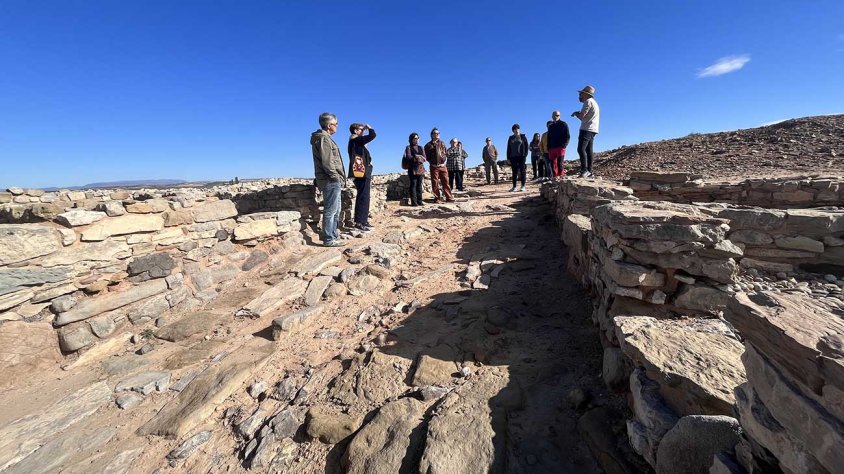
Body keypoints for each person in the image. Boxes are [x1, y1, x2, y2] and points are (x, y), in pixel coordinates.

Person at [311, 112, 345, 247]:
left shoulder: (325, 138)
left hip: (332, 180)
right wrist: (335, 177)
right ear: (329, 125)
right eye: (336, 124)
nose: (337, 126)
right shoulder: (324, 138)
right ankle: (329, 239)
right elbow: (327, 162)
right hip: (330, 180)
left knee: (336, 209)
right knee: (331, 210)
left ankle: (333, 235)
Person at [347, 123, 376, 231]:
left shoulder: (357, 142)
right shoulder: (355, 140)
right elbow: (372, 135)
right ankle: (359, 222)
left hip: (363, 172)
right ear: (355, 131)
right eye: (361, 130)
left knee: (365, 196)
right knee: (362, 197)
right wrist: (370, 128)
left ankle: (363, 220)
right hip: (361, 173)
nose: (363, 131)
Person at [571, 85, 600, 178]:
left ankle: (584, 170)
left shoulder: (587, 102)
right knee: (589, 150)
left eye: (581, 94)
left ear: (585, 94)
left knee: (581, 149)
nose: (580, 96)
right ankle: (590, 171)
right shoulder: (595, 103)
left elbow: (581, 116)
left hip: (586, 128)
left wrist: (576, 114)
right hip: (593, 129)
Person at [424, 128, 454, 202]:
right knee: (435, 183)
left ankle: (449, 198)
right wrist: (432, 163)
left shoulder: (442, 143)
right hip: (434, 166)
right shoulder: (428, 145)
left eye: (438, 133)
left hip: (443, 166)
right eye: (435, 133)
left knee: (446, 182)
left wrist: (444, 162)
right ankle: (437, 198)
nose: (437, 134)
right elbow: (426, 156)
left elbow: (446, 153)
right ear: (432, 135)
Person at [403, 133, 427, 206]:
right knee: (413, 185)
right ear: (411, 139)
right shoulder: (408, 147)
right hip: (412, 168)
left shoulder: (421, 147)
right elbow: (408, 157)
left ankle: (420, 201)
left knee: (419, 185)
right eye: (415, 138)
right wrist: (418, 157)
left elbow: (424, 158)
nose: (416, 140)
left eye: (417, 138)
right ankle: (414, 202)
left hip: (420, 168)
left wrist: (417, 157)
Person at [547, 111, 570, 177]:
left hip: (560, 147)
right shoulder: (551, 127)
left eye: (557, 115)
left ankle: (561, 177)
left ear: (559, 116)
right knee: (553, 165)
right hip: (552, 148)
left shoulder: (563, 124)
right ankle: (555, 178)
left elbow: (567, 136)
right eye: (554, 115)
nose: (556, 116)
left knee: (560, 164)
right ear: (552, 116)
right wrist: (548, 147)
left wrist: (564, 145)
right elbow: (549, 137)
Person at [506, 124, 528, 192]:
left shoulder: (523, 137)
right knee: (514, 172)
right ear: (513, 131)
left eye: (517, 129)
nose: (516, 130)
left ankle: (523, 186)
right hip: (513, 157)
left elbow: (526, 146)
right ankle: (514, 187)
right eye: (515, 129)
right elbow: (508, 148)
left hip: (521, 156)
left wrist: (525, 155)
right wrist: (508, 158)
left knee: (522, 171)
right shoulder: (510, 138)